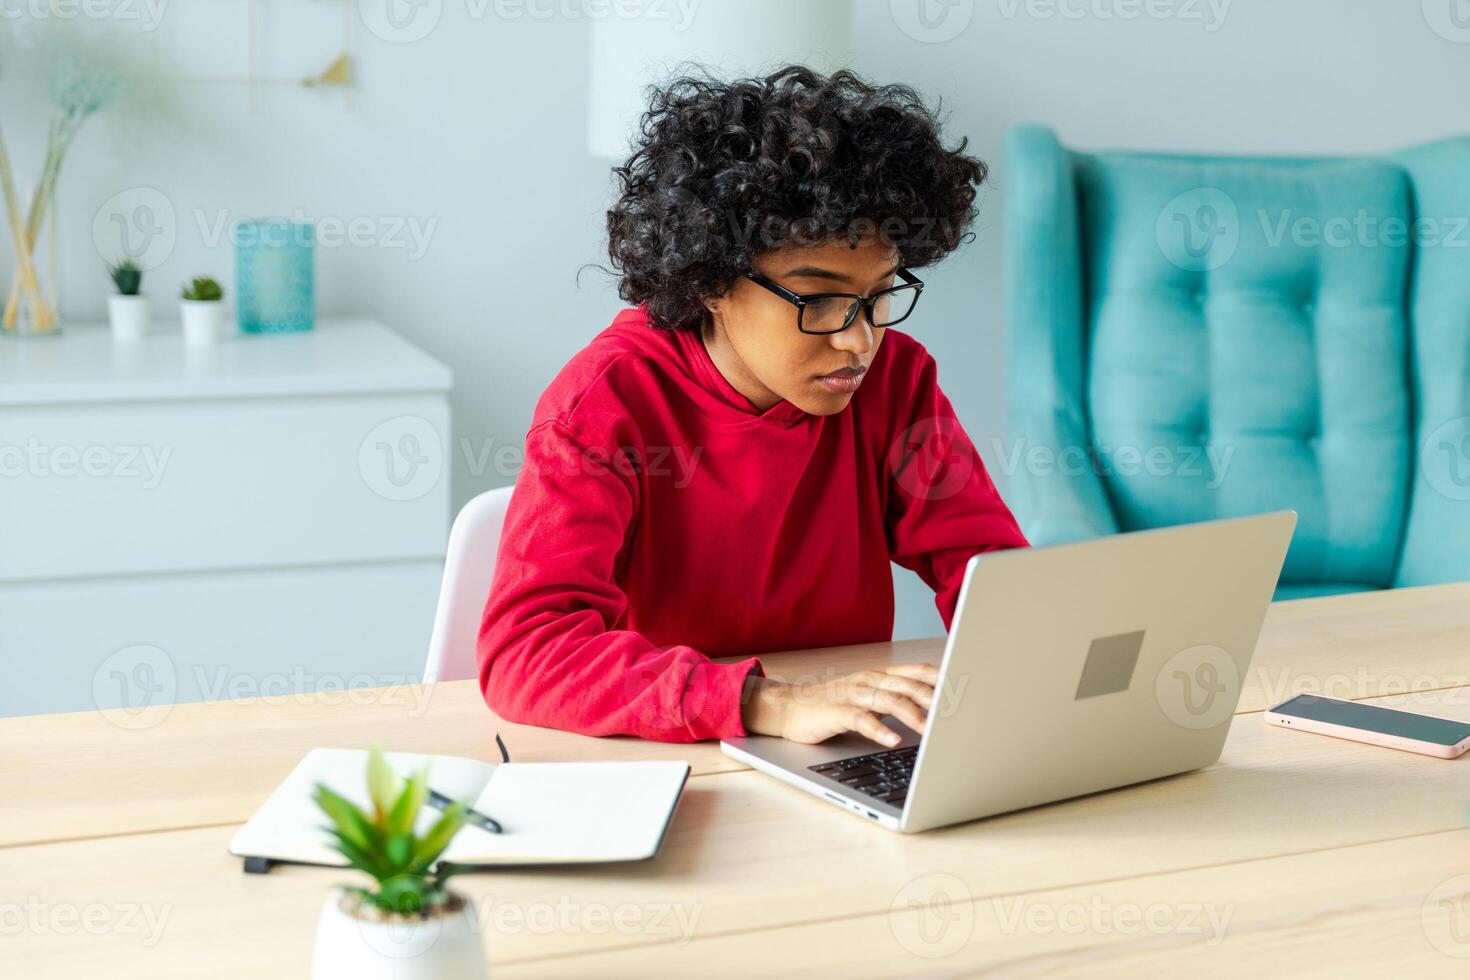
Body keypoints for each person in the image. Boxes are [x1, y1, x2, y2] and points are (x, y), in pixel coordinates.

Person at [478, 65, 1027, 746]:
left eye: (880, 295)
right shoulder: (606, 403)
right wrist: (771, 703)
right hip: (668, 763)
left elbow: (987, 573)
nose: (860, 339)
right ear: (709, 281)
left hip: (843, 749)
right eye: (819, 299)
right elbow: (525, 655)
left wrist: (1041, 680)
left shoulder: (896, 381)